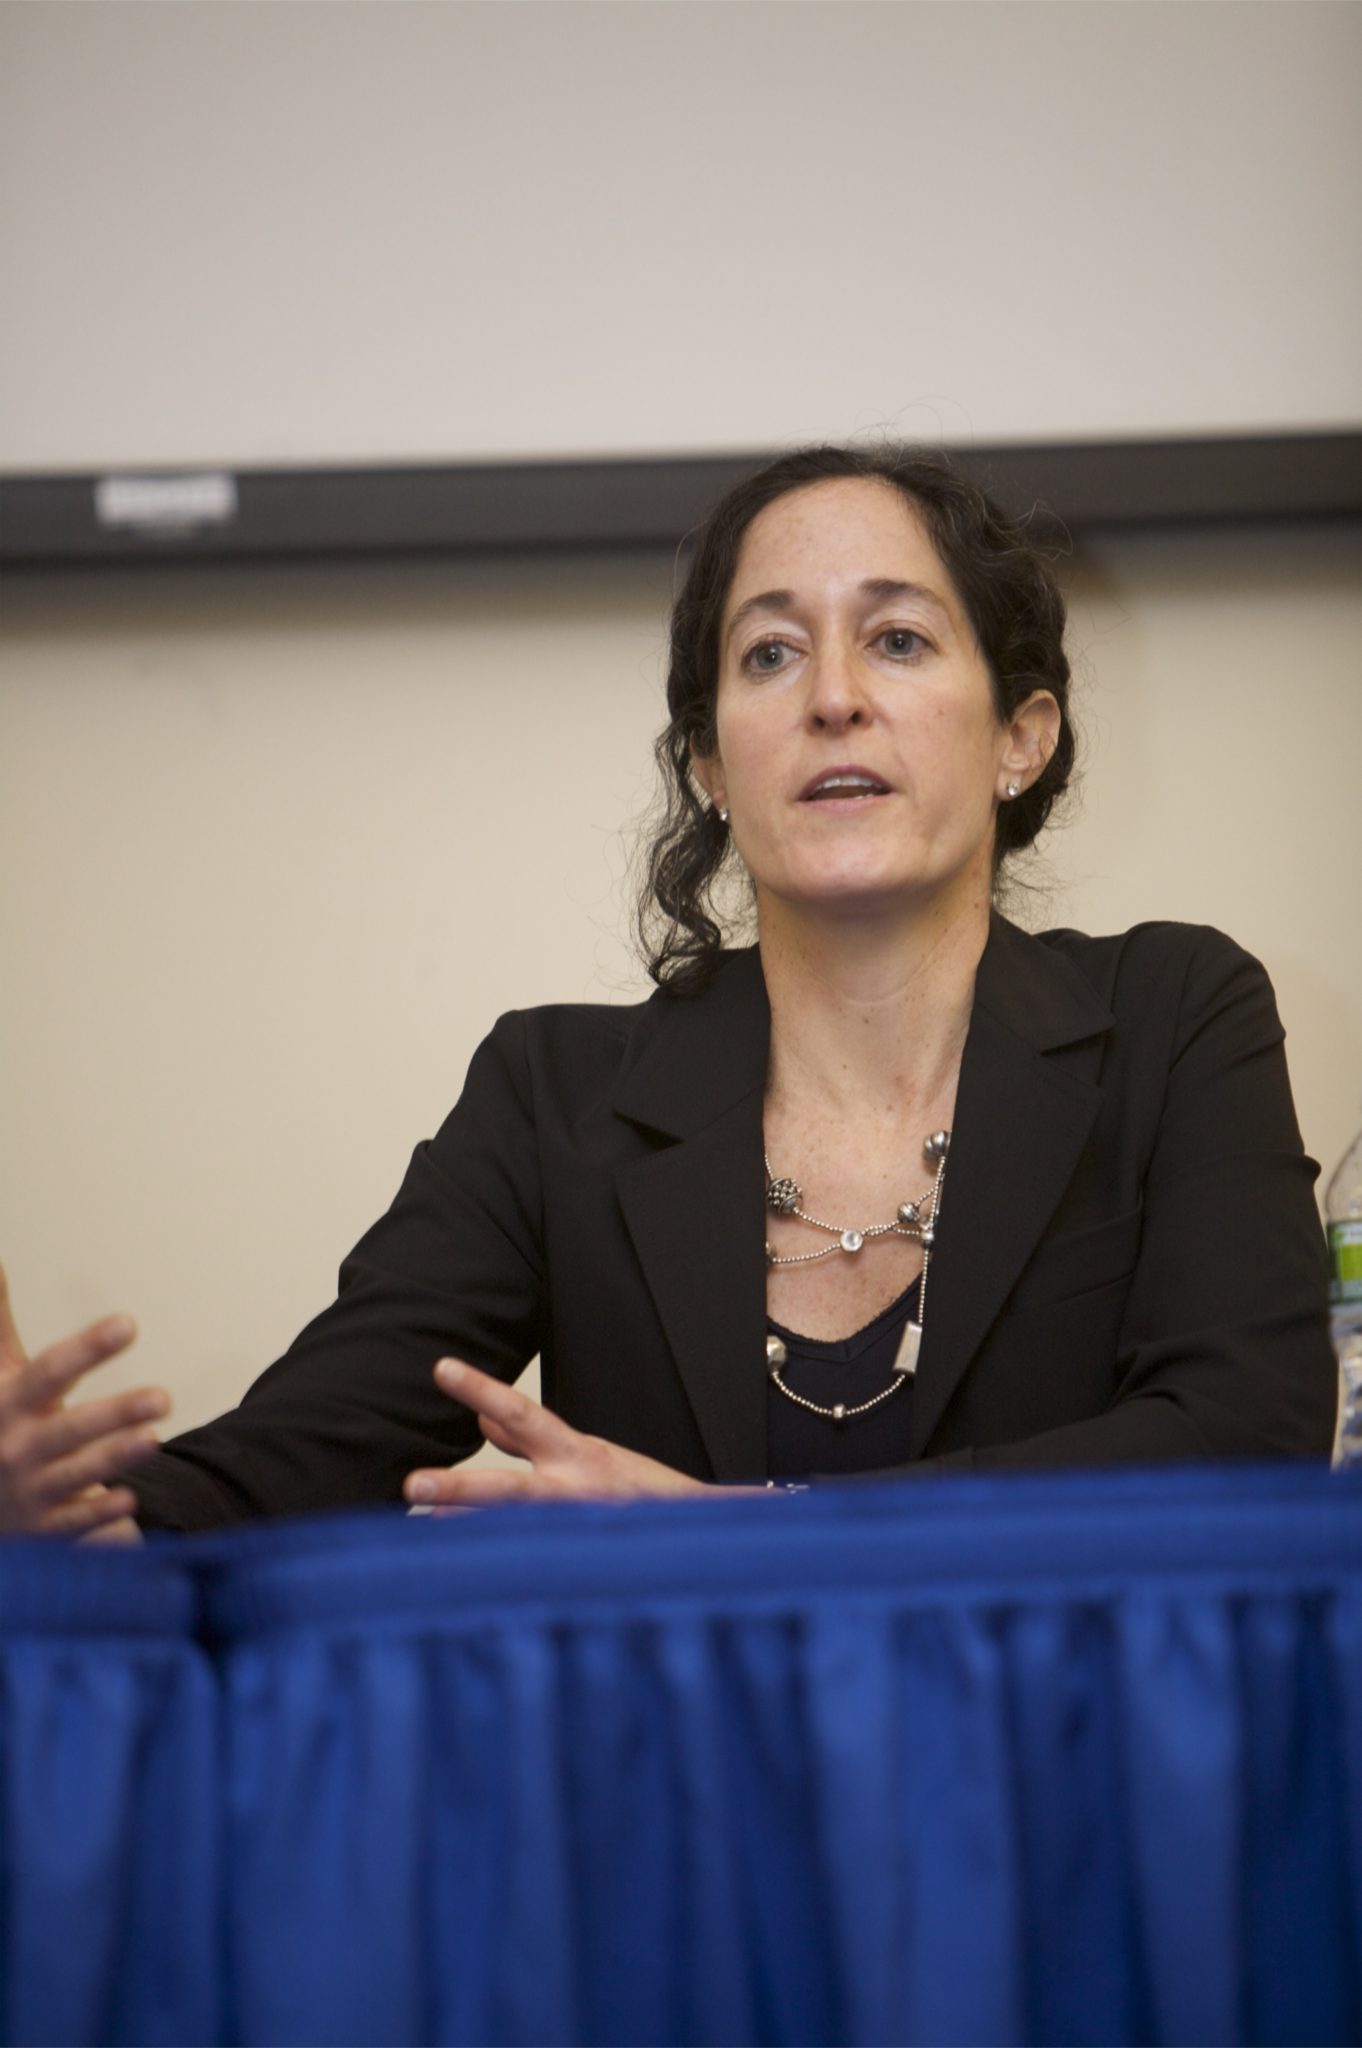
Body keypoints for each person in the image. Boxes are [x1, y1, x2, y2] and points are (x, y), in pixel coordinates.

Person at [0, 446, 1337, 1536]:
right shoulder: (554, 1097)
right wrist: (85, 1515)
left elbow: (1247, 1433)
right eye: (769, 654)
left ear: (1019, 738)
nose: (831, 698)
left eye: (897, 640)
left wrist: (735, 1527)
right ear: (708, 764)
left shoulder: (1173, 1017)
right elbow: (321, 1441)